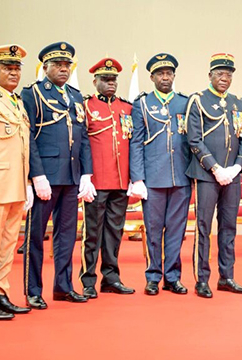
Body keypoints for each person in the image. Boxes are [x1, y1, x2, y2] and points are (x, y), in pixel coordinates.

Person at [22, 42, 95, 309]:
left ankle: (63, 287)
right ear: (45, 67)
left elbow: (83, 137)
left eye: (67, 65)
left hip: (72, 176)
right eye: (58, 65)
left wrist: (86, 173)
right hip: (47, 177)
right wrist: (36, 175)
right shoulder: (33, 94)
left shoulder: (76, 96)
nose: (63, 69)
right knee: (35, 236)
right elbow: (27, 137)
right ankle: (33, 290)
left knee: (66, 235)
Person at [185, 53, 242, 298]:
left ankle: (227, 277)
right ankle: (202, 279)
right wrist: (215, 168)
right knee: (203, 227)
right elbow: (193, 139)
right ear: (210, 75)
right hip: (206, 175)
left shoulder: (238, 103)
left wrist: (236, 167)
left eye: (229, 74)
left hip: (231, 176)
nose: (225, 78)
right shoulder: (198, 100)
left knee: (229, 226)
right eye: (220, 73)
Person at [129, 53, 191, 296]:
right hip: (153, 179)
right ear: (152, 77)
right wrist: (138, 179)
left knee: (176, 230)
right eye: (160, 74)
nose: (165, 77)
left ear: (174, 76)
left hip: (180, 178)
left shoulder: (185, 103)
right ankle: (153, 276)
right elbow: (135, 142)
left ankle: (173, 277)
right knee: (153, 230)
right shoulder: (142, 104)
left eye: (169, 73)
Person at [79, 58, 135, 299]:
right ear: (95, 81)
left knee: (114, 232)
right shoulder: (86, 106)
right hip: (97, 182)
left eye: (113, 80)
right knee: (92, 233)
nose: (110, 83)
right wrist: (86, 177)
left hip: (121, 181)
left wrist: (134, 178)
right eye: (105, 80)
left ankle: (111, 277)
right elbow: (82, 145)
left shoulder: (126, 107)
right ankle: (88, 280)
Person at [0, 44, 33, 320]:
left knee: (6, 247)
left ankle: (1, 293)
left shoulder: (18, 102)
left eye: (16, 69)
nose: (13, 73)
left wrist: (26, 183)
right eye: (7, 68)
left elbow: (22, 147)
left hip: (15, 187)